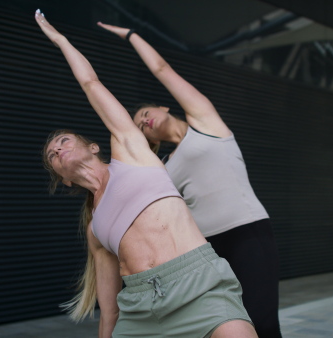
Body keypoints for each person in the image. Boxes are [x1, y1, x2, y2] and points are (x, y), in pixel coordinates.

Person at [34, 10, 257, 338]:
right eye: (52, 155)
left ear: (94, 146)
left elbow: (90, 83)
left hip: (198, 283)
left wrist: (61, 40)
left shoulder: (131, 153)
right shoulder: (96, 227)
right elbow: (109, 309)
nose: (57, 149)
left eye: (63, 141)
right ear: (63, 179)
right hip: (141, 308)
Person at [98, 23, 282, 337]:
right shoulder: (162, 166)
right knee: (217, 326)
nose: (145, 120)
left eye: (145, 113)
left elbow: (161, 67)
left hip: (247, 233)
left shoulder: (206, 123)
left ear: (163, 107)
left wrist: (131, 35)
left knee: (261, 322)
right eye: (140, 124)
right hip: (206, 252)